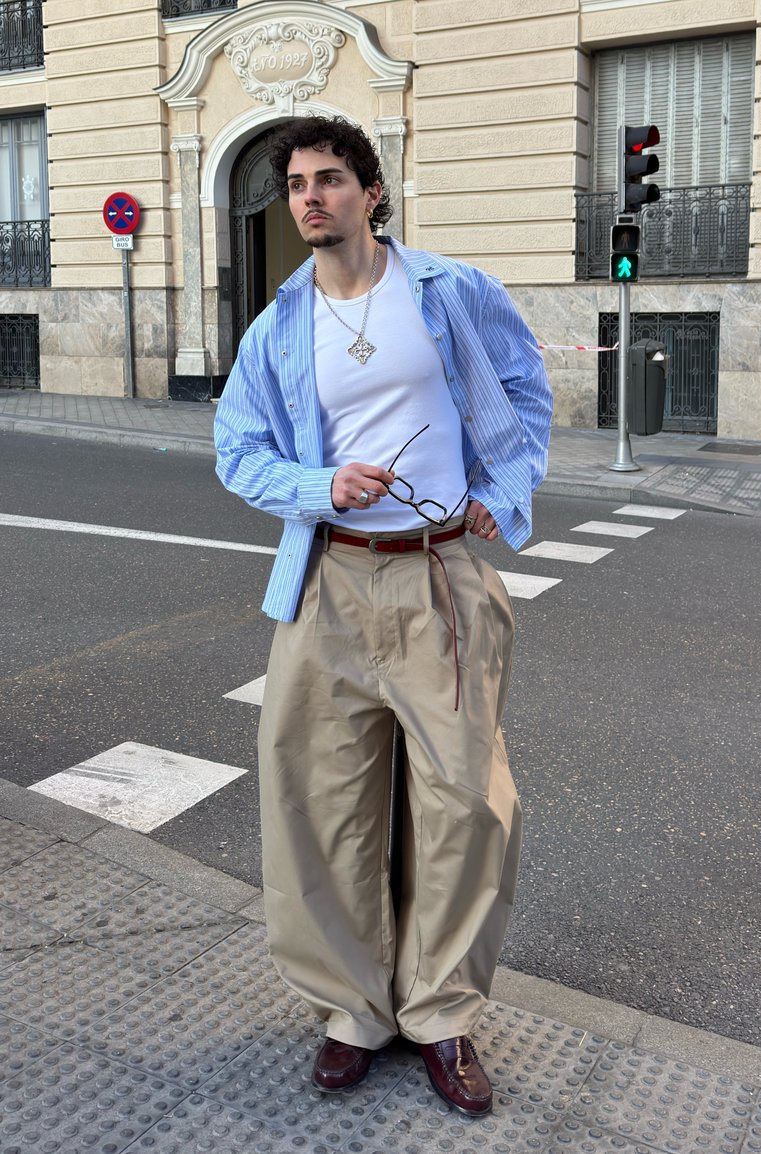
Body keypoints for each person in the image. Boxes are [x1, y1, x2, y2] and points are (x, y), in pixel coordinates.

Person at [214, 115, 552, 1117]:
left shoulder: (446, 291)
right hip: (329, 580)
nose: (311, 197)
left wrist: (507, 490)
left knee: (467, 801)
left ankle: (440, 1013)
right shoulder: (277, 328)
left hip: (441, 573)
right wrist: (320, 483)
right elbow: (236, 451)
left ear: (370, 190)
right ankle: (352, 1010)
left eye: (330, 178)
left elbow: (526, 396)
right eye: (297, 185)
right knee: (323, 800)